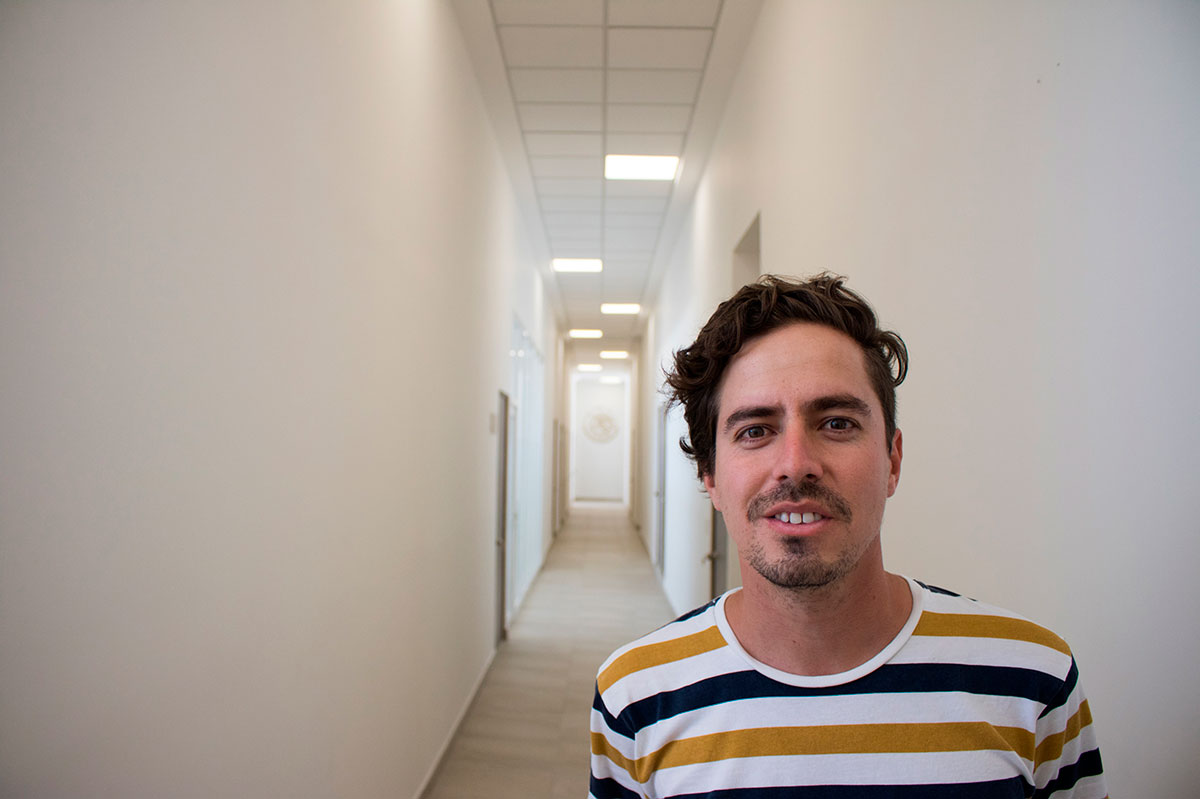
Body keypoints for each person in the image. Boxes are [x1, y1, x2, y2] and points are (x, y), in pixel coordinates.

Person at [589, 274, 1106, 798]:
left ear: (892, 461)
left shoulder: (1031, 682)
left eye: (836, 423)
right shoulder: (637, 699)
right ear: (711, 477)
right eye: (755, 431)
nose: (796, 464)